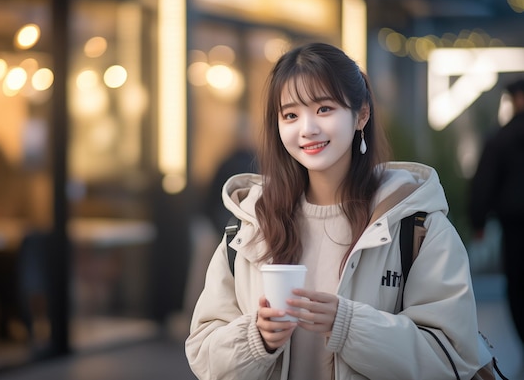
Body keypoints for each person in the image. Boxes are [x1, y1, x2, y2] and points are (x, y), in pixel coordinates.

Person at [185, 42, 483, 379]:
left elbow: (451, 358)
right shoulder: (252, 224)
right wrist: (256, 339)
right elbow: (203, 352)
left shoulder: (415, 224)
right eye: (291, 115)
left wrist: (349, 325)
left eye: (324, 109)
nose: (307, 128)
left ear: (362, 114)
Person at [468, 77, 524, 350]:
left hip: (515, 227)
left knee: (517, 286)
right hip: (513, 224)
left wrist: (478, 221)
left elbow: (484, 183)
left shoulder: (501, 138)